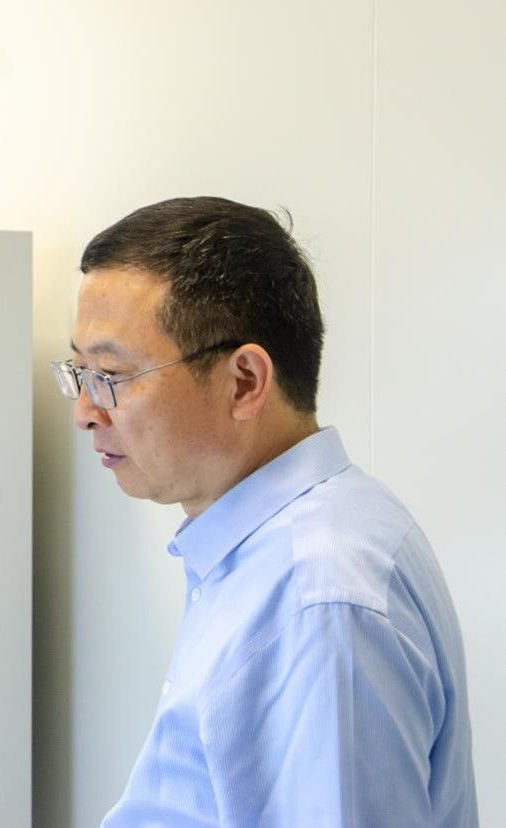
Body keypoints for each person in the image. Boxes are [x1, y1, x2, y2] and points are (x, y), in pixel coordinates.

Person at [53, 197, 477, 826]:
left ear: (246, 381)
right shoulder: (278, 549)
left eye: (110, 375)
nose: (85, 412)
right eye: (78, 372)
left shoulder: (319, 592)